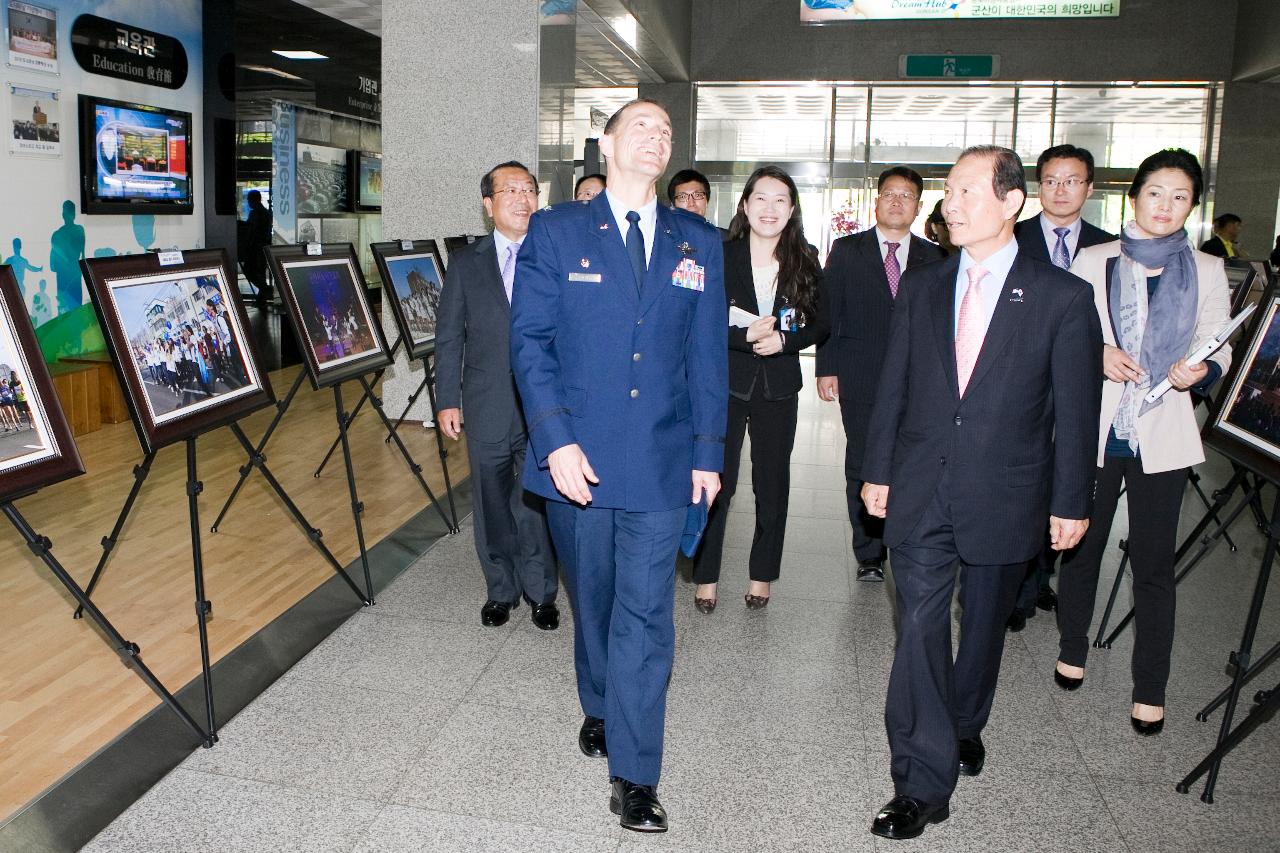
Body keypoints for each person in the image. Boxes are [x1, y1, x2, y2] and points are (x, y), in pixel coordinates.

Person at [859, 145, 1102, 841]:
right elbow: (895, 384)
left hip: (1007, 491)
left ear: (1011, 203)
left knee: (985, 624)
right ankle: (920, 780)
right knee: (919, 627)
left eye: (967, 192)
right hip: (921, 486)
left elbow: (1075, 410)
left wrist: (1070, 502)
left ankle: (964, 720)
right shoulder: (925, 286)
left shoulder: (1061, 297)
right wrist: (877, 470)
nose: (951, 205)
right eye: (951, 192)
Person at [510, 98, 727, 833]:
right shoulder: (558, 229)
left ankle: (635, 773)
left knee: (646, 612)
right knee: (594, 598)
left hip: (663, 463)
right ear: (606, 145)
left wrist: (708, 452)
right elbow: (530, 343)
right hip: (578, 460)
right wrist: (554, 439)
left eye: (666, 130)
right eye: (642, 125)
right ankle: (599, 698)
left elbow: (706, 355)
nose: (657, 137)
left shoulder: (698, 241)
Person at [1055, 148, 1230, 737]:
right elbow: (1068, 337)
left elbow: (1219, 342)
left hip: (1165, 431)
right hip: (1099, 429)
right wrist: (1098, 353)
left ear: (1193, 206)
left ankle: (1149, 686)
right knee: (1082, 545)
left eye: (1180, 197)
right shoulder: (1093, 259)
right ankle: (1072, 646)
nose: (1166, 206)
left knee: (1154, 563)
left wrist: (1201, 369)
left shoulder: (1205, 269)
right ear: (1135, 197)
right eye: (1156, 193)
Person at [692, 165, 829, 612]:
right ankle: (706, 575)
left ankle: (762, 575)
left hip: (778, 388)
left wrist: (786, 341)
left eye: (780, 201)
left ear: (791, 210)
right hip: (725, 385)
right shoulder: (720, 253)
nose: (769, 209)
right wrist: (743, 337)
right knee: (717, 483)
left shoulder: (804, 257)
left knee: (772, 486)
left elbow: (823, 321)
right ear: (745, 205)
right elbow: (698, 320)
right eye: (761, 199)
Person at [435, 161, 559, 630]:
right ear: (489, 205)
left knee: (536, 504)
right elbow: (449, 337)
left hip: (543, 406)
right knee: (490, 505)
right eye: (510, 191)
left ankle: (542, 592)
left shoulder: (554, 255)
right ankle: (500, 590)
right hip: (486, 401)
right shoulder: (467, 263)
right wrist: (447, 399)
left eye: (529, 189)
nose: (523, 198)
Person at [816, 166, 944, 582]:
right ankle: (869, 551)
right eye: (889, 194)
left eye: (906, 196)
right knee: (864, 459)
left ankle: (903, 535)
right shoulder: (848, 249)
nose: (896, 201)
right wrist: (827, 367)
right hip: (861, 374)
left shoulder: (935, 257)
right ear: (876, 201)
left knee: (911, 459)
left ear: (918, 206)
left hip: (918, 381)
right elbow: (828, 312)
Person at [1008, 144, 1117, 630]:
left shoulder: (1109, 246)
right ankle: (1019, 587)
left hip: (1080, 381)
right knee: (1024, 479)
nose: (1060, 189)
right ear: (1037, 187)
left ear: (1089, 189)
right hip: (1020, 380)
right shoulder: (1012, 236)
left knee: (1067, 475)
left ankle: (1045, 572)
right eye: (1050, 180)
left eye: (1071, 180)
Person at [667, 168, 728, 238]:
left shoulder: (724, 239)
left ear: (707, 201)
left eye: (697, 195)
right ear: (672, 205)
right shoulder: (663, 240)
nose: (691, 204)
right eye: (683, 197)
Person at [242, 190, 274, 304]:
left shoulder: (255, 214)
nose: (248, 202)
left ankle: (266, 289)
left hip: (255, 249)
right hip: (264, 248)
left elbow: (250, 231)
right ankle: (261, 300)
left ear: (252, 200)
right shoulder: (266, 213)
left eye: (248, 200)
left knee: (249, 271)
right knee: (259, 272)